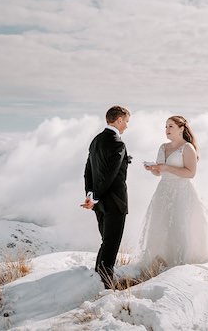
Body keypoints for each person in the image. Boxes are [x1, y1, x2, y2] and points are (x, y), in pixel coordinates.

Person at [138, 115, 208, 267]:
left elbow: (190, 173)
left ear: (181, 128)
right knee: (161, 225)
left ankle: (180, 263)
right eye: (166, 126)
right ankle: (161, 261)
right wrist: (153, 169)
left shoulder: (187, 148)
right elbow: (160, 173)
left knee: (179, 226)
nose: (167, 130)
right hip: (163, 192)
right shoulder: (163, 147)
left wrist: (166, 167)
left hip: (182, 192)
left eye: (171, 126)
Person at [82, 106, 132, 287]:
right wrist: (94, 196)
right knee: (111, 244)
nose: (126, 126)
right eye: (126, 121)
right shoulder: (118, 143)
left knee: (106, 242)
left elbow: (88, 170)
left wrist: (90, 194)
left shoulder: (96, 140)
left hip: (99, 203)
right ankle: (106, 284)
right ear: (119, 120)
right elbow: (110, 175)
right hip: (114, 202)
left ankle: (98, 277)